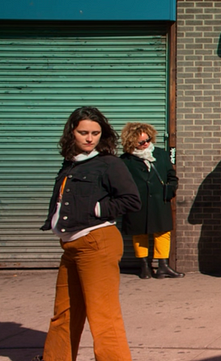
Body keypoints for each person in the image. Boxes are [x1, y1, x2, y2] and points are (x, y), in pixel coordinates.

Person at [38, 106, 140, 361]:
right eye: (83, 132)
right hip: (71, 245)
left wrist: (98, 208)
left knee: (103, 315)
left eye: (95, 133)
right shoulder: (71, 163)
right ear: (71, 132)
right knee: (65, 312)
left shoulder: (109, 163)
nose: (89, 138)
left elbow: (131, 200)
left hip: (97, 243)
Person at [119, 122, 183, 279]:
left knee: (163, 232)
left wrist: (170, 189)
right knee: (139, 234)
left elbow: (171, 175)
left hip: (159, 200)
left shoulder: (160, 154)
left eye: (148, 140)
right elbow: (120, 183)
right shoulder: (125, 160)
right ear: (131, 141)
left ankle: (163, 266)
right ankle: (145, 267)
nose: (146, 144)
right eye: (141, 142)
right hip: (137, 202)